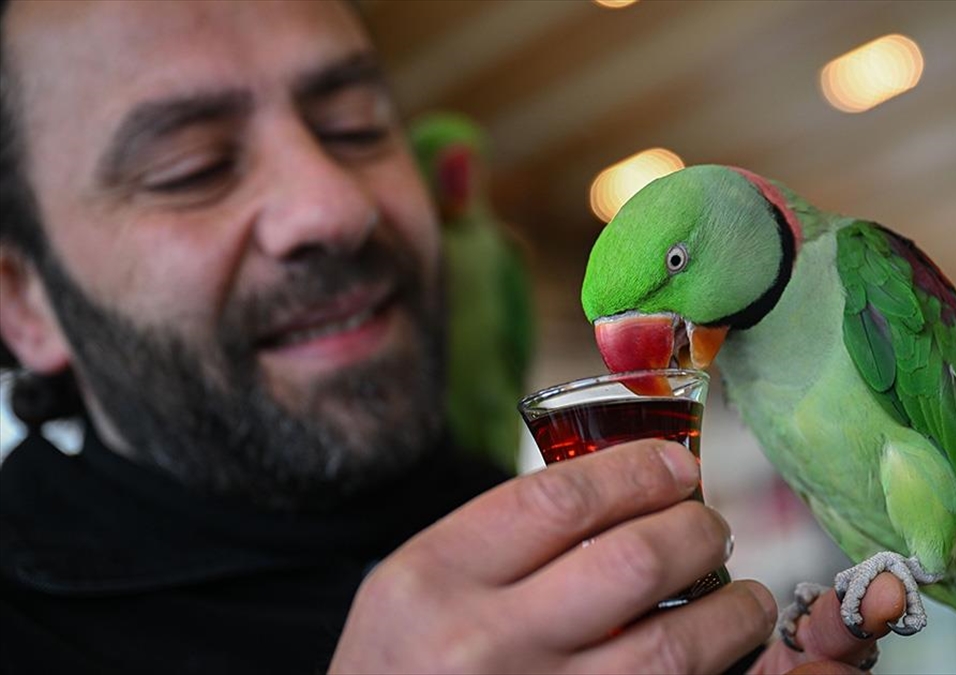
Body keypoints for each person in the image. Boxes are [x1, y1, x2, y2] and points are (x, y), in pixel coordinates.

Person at [0, 1, 903, 673]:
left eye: (356, 127)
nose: (336, 205)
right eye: (189, 167)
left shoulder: (556, 558)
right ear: (22, 303)